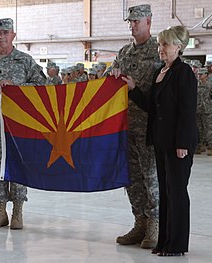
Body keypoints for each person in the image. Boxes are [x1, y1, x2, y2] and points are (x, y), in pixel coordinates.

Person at [125, 25, 198, 256]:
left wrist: (183, 144)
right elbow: (152, 107)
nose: (160, 49)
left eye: (165, 45)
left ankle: (177, 244)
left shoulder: (183, 72)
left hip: (178, 144)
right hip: (161, 141)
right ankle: (164, 241)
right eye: (159, 45)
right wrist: (134, 90)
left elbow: (187, 111)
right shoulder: (161, 72)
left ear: (178, 46)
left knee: (177, 192)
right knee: (166, 192)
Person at [0, 18, 46, 230]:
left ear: (13, 35)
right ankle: (1, 211)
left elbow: (42, 85)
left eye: (5, 32)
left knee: (19, 165)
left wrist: (17, 86)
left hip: (19, 124)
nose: (1, 36)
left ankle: (18, 212)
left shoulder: (24, 60)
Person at [111, 4, 161, 249]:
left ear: (148, 22)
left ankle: (155, 223)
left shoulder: (159, 51)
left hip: (149, 128)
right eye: (130, 22)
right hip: (124, 127)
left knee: (151, 177)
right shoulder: (123, 53)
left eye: (136, 22)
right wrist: (114, 75)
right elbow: (108, 81)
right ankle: (139, 221)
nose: (132, 25)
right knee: (131, 178)